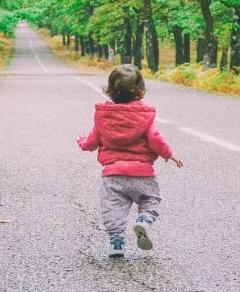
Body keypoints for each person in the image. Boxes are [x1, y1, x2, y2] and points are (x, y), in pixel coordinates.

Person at [77, 64, 184, 257]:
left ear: (109, 92)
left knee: (113, 210)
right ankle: (143, 221)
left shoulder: (103, 116)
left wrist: (82, 142)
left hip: (113, 175)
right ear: (141, 93)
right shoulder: (145, 115)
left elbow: (92, 141)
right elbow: (155, 139)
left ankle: (116, 244)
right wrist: (170, 154)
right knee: (151, 200)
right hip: (143, 173)